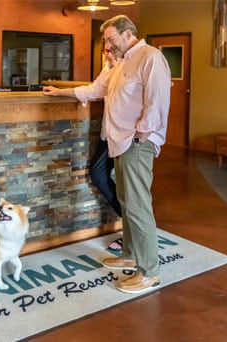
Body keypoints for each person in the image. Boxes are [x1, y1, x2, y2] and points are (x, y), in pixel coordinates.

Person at [97, 15, 171, 294]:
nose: (107, 44)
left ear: (128, 34)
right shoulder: (124, 60)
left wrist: (141, 132)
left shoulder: (150, 57)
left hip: (137, 142)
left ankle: (149, 272)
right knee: (127, 201)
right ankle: (130, 253)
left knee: (139, 206)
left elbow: (157, 101)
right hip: (122, 141)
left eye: (110, 38)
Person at [43, 49, 123, 251]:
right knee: (98, 173)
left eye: (113, 50)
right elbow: (93, 90)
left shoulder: (130, 66)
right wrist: (59, 92)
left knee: (128, 185)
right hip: (109, 133)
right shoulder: (108, 69)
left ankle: (133, 230)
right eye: (106, 50)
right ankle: (130, 222)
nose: (109, 55)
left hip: (128, 136)